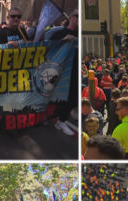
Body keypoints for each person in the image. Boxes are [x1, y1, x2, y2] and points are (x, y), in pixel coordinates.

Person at [50, 8, 79, 137]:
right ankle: (52, 116)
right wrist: (62, 41)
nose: (80, 19)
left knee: (73, 98)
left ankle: (61, 120)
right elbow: (46, 49)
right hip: (60, 72)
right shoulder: (59, 33)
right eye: (77, 16)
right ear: (71, 18)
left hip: (75, 71)